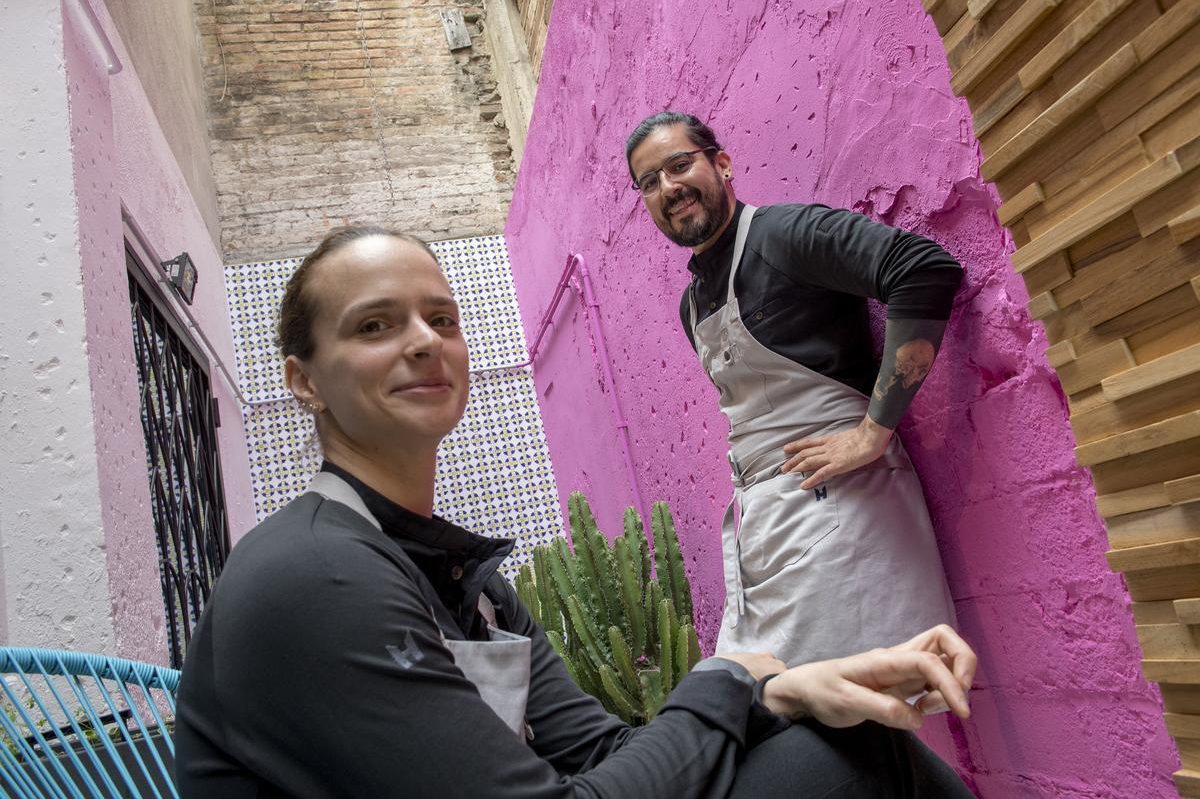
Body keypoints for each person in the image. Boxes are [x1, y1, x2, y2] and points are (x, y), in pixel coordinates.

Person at [174, 225, 977, 798]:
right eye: (375, 325)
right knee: (850, 766)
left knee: (853, 738)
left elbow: (608, 750)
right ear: (304, 380)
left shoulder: (471, 587)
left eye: (441, 319)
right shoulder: (314, 576)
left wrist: (783, 692)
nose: (423, 341)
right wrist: (734, 678)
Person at [626, 111, 960, 667]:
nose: (668, 188)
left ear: (721, 163)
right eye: (649, 182)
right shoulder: (692, 307)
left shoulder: (784, 234)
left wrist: (873, 432)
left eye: (679, 165)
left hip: (841, 508)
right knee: (781, 707)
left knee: (853, 710)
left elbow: (922, 269)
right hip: (766, 522)